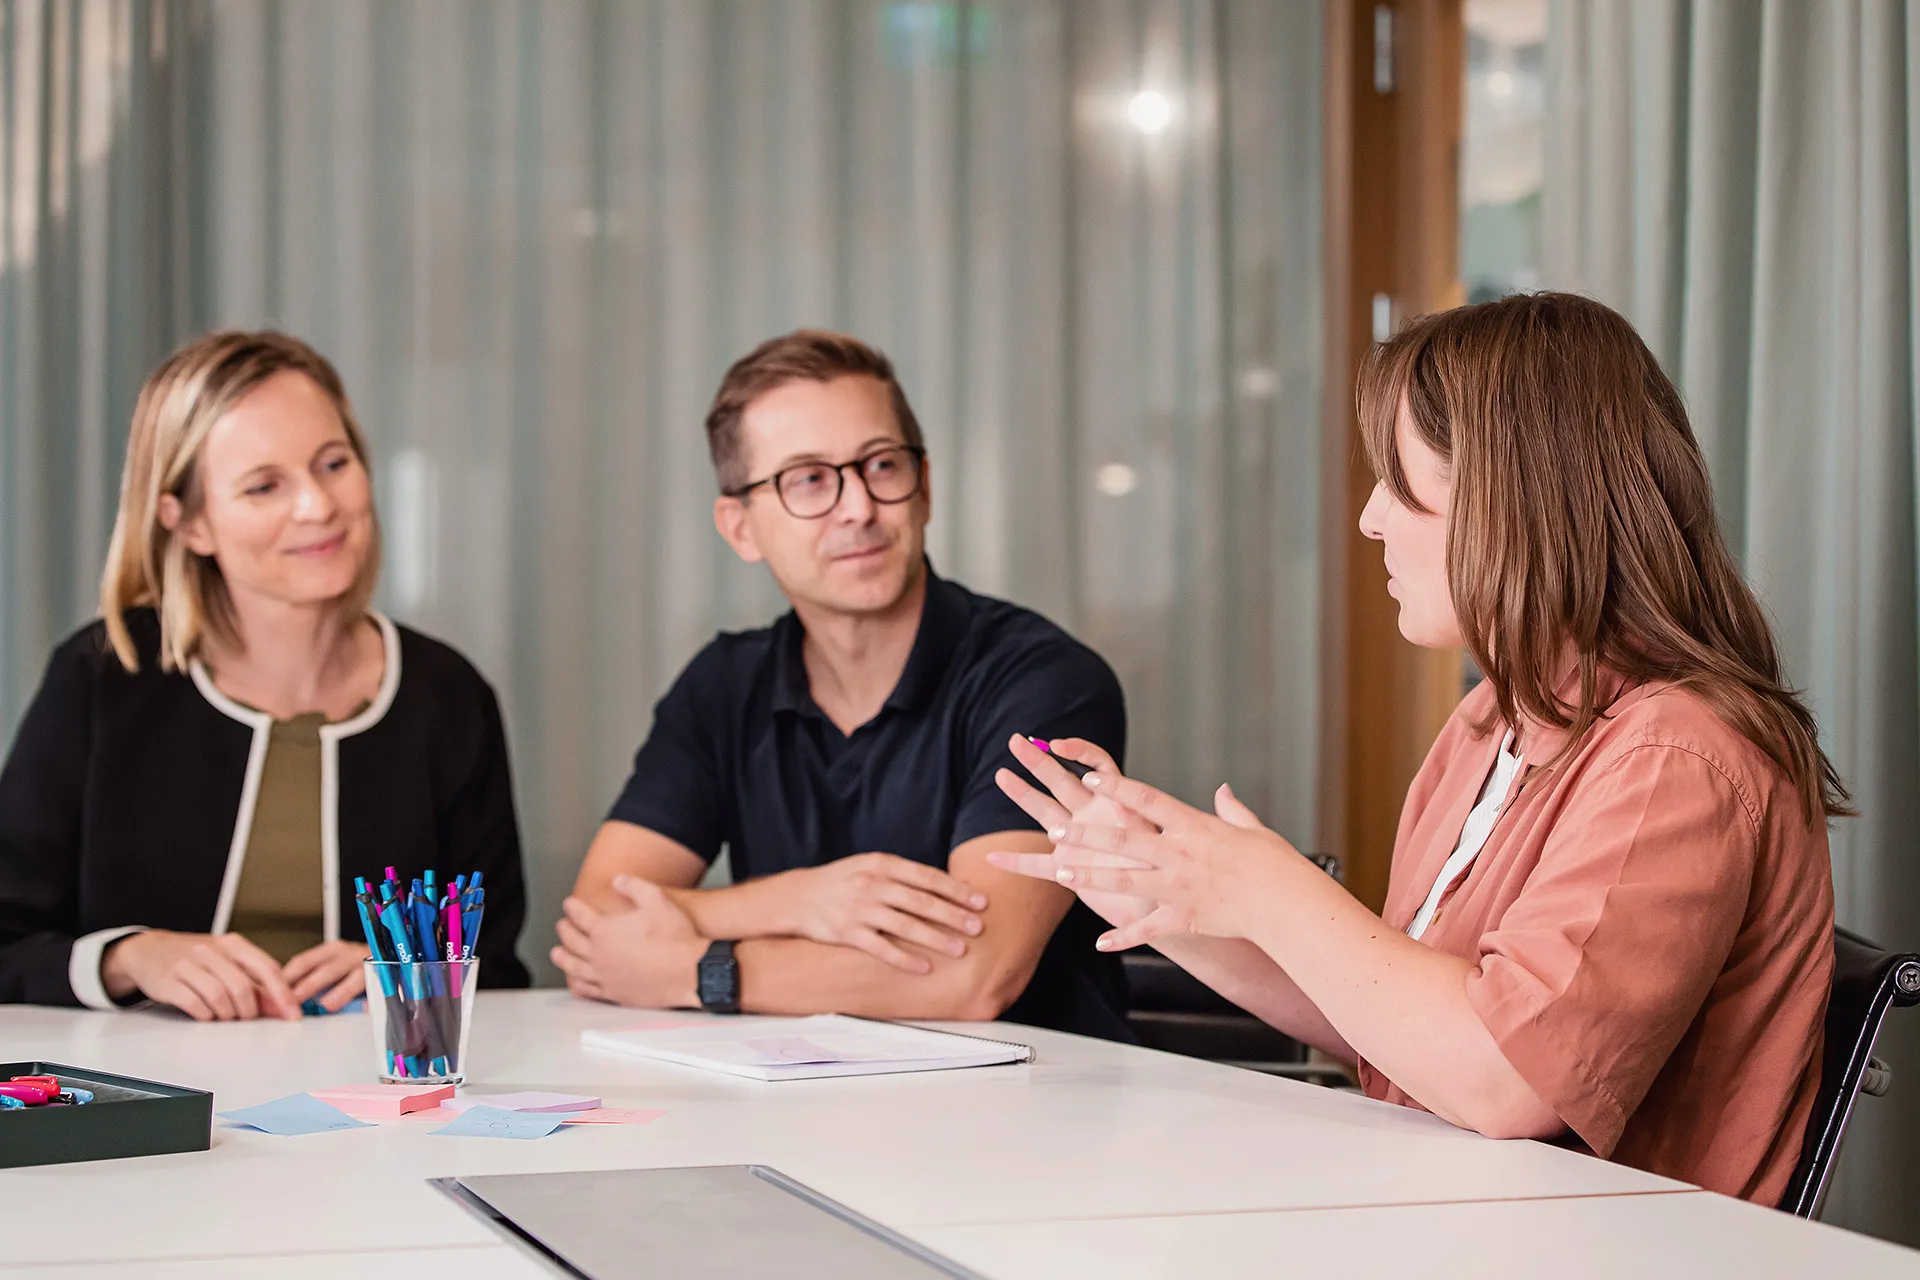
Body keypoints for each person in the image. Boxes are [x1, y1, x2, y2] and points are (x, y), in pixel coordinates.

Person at [990, 292, 1839, 1203]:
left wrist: (1269, 889)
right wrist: (1171, 896)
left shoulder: (1678, 755)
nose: (1369, 520)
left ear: (1519, 500)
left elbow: (1507, 1080)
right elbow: (1385, 1021)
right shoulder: (1490, 723)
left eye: (1401, 483)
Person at [553, 329, 1131, 1040]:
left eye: (881, 465)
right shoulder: (723, 686)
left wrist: (698, 969)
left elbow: (976, 975)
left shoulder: (1044, 681)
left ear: (925, 489)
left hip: (1034, 1120)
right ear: (740, 527)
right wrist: (800, 900)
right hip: (802, 1111)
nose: (858, 506)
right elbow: (598, 922)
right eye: (809, 480)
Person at [0, 330, 530, 1019]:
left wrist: (415, 976)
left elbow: (499, 973)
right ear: (189, 524)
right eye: (264, 486)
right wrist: (130, 957)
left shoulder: (448, 696)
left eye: (333, 464)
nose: (318, 505)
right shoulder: (103, 677)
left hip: (382, 1110)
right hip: (154, 1108)